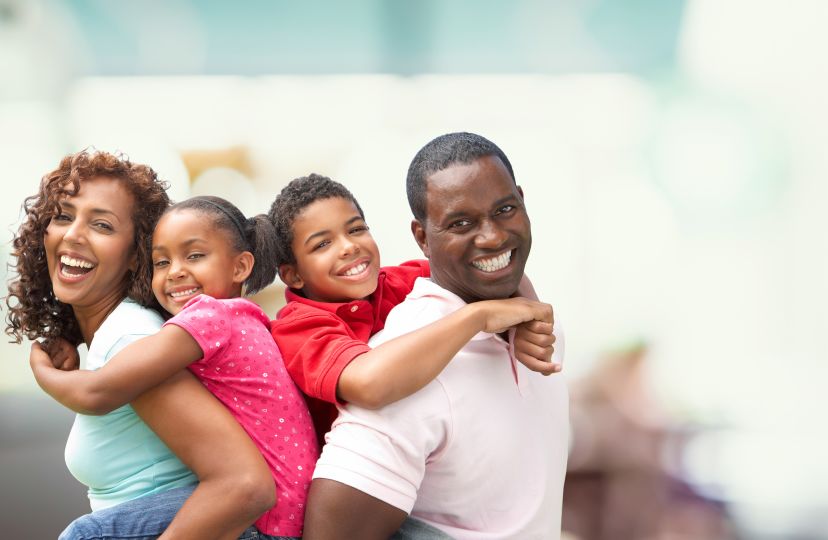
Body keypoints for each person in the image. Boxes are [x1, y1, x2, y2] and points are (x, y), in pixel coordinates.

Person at [304, 132, 570, 539]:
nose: (492, 236)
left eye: (504, 209)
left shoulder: (534, 323)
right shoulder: (412, 368)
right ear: (423, 237)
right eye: (460, 223)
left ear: (522, 200)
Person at [6, 151, 276, 539]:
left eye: (101, 224)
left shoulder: (132, 338)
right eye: (63, 216)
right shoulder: (120, 335)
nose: (73, 234)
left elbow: (246, 485)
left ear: (136, 256)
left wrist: (43, 371)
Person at [268, 174, 559, 444]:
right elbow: (369, 385)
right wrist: (477, 317)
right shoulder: (299, 329)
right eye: (322, 244)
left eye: (356, 229)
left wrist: (525, 320)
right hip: (361, 479)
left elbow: (490, 268)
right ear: (293, 275)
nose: (348, 247)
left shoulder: (402, 281)